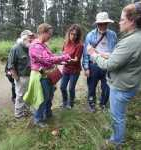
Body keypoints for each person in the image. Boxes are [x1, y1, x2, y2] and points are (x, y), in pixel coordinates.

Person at [87, 2, 141, 146]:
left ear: (132, 21)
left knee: (118, 116)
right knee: (117, 113)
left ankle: (117, 141)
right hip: (126, 81)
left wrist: (93, 54)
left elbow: (110, 64)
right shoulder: (136, 37)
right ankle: (115, 132)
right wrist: (106, 55)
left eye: (122, 19)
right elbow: (122, 56)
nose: (120, 23)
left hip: (121, 85)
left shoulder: (127, 40)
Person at [24, 23, 71, 128]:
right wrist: (63, 57)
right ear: (43, 33)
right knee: (43, 97)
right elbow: (46, 59)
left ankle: (48, 114)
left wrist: (61, 60)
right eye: (49, 33)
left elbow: (51, 57)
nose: (50, 36)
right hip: (40, 75)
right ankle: (38, 119)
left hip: (47, 75)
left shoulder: (43, 45)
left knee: (49, 95)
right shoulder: (35, 46)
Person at [82, 12, 117, 112]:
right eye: (100, 23)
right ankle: (91, 104)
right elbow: (86, 53)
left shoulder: (113, 35)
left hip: (108, 65)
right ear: (97, 24)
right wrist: (86, 67)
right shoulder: (90, 35)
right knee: (91, 87)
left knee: (107, 88)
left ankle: (103, 104)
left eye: (105, 23)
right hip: (94, 65)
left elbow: (115, 51)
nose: (103, 25)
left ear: (107, 23)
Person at [7, 30, 34, 118]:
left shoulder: (30, 47)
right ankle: (18, 115)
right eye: (29, 37)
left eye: (31, 37)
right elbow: (10, 65)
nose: (31, 39)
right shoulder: (15, 48)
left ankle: (26, 111)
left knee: (28, 94)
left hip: (31, 75)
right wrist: (17, 78)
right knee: (20, 96)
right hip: (21, 77)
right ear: (23, 38)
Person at [60, 24, 83, 108]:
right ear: (69, 33)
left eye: (76, 34)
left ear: (78, 36)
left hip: (75, 70)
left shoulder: (79, 45)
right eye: (72, 34)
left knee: (71, 88)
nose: (73, 36)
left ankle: (71, 103)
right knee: (62, 87)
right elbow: (62, 54)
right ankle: (64, 101)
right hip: (66, 69)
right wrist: (60, 59)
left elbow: (76, 60)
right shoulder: (65, 43)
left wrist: (66, 60)